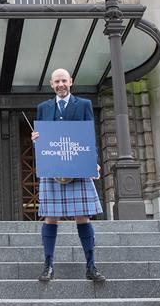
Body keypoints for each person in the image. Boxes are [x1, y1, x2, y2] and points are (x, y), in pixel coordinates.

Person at [30, 68, 105, 283]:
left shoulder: (84, 105)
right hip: (53, 168)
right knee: (50, 217)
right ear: (51, 84)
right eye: (57, 81)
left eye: (64, 80)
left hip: (78, 166)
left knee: (83, 216)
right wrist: (37, 139)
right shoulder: (43, 108)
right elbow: (43, 141)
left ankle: (91, 266)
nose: (61, 84)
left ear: (70, 82)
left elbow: (89, 137)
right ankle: (48, 266)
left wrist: (93, 163)